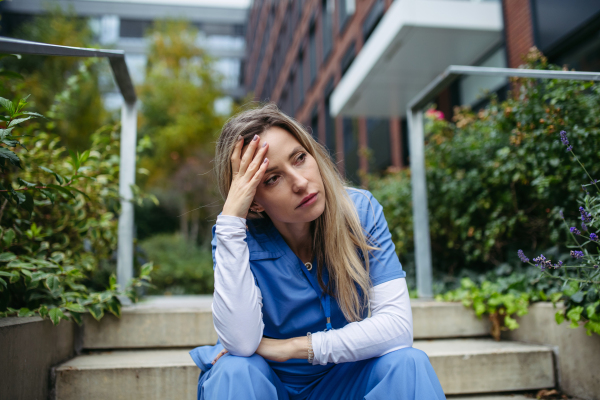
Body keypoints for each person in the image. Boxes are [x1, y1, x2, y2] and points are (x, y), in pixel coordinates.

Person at [189, 104, 446, 400]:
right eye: (272, 179)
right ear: (254, 201)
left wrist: (293, 348)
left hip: (344, 381)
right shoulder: (236, 236)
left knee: (408, 363)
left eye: (299, 158)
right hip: (266, 385)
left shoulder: (359, 211)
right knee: (235, 370)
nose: (300, 183)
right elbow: (242, 344)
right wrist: (233, 216)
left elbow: (398, 328)